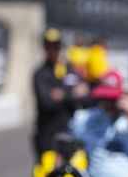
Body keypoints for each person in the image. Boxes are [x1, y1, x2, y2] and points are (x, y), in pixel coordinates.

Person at [32, 28, 90, 159]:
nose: (54, 50)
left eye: (57, 46)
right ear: (45, 49)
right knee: (48, 174)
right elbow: (46, 103)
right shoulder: (40, 74)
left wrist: (61, 95)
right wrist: (72, 93)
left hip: (72, 132)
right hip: (48, 136)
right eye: (50, 47)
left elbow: (87, 99)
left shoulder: (70, 70)